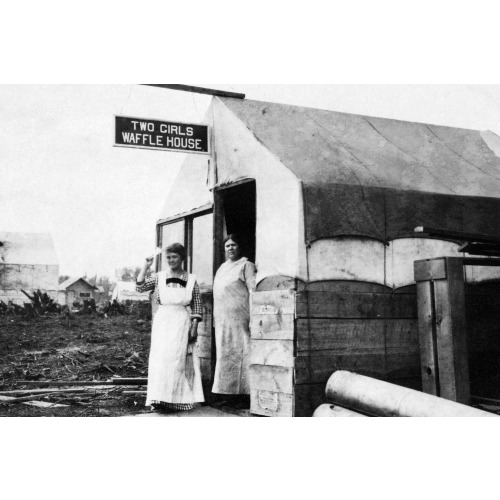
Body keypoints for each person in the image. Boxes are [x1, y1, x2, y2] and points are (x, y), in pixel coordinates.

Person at [136, 243, 204, 413]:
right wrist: (146, 266)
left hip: (181, 321)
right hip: (163, 322)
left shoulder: (191, 280)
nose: (171, 260)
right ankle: (159, 399)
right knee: (160, 360)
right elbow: (139, 287)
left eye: (174, 257)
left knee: (177, 360)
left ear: (182, 258)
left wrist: (194, 327)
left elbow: (197, 304)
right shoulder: (158, 277)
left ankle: (177, 400)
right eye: (168, 257)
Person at [212, 234, 256, 402]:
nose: (230, 248)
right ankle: (228, 394)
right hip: (223, 320)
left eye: (234, 245)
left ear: (240, 247)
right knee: (226, 356)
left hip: (240, 320)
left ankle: (244, 396)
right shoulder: (222, 268)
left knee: (243, 354)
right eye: (227, 246)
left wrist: (253, 318)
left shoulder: (246, 265)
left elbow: (253, 292)